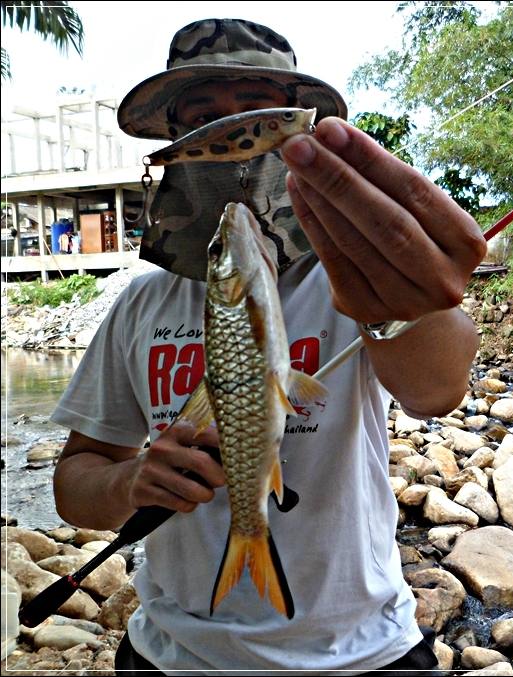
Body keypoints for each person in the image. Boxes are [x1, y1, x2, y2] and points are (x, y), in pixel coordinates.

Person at [51, 18, 486, 675]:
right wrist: (130, 480)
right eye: (204, 116)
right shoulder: (140, 304)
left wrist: (407, 302)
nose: (231, 136)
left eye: (255, 112)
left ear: (296, 132)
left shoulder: (354, 276)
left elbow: (439, 388)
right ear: (176, 141)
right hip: (173, 654)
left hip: (362, 653)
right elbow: (75, 481)